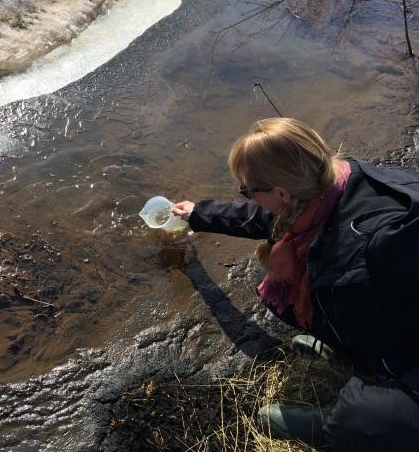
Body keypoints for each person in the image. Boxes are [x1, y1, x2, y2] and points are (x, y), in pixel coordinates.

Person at [172, 118, 419, 451]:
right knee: (285, 286)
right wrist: (199, 213)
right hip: (393, 312)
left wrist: (385, 365)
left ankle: (337, 414)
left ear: (281, 192)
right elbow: (268, 219)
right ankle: (354, 351)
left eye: (248, 190)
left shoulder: (374, 253)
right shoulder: (335, 183)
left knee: (361, 421)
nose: (248, 197)